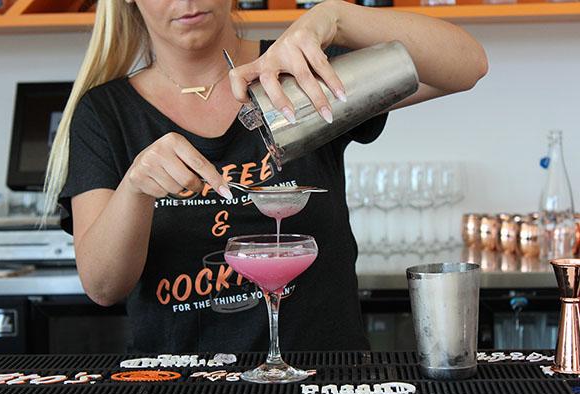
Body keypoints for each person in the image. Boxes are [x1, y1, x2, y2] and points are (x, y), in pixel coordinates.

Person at [45, 0, 488, 353]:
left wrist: (333, 16)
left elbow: (468, 65)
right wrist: (135, 188)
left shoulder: (300, 73)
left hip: (324, 374)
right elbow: (103, 286)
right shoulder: (106, 114)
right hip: (183, 382)